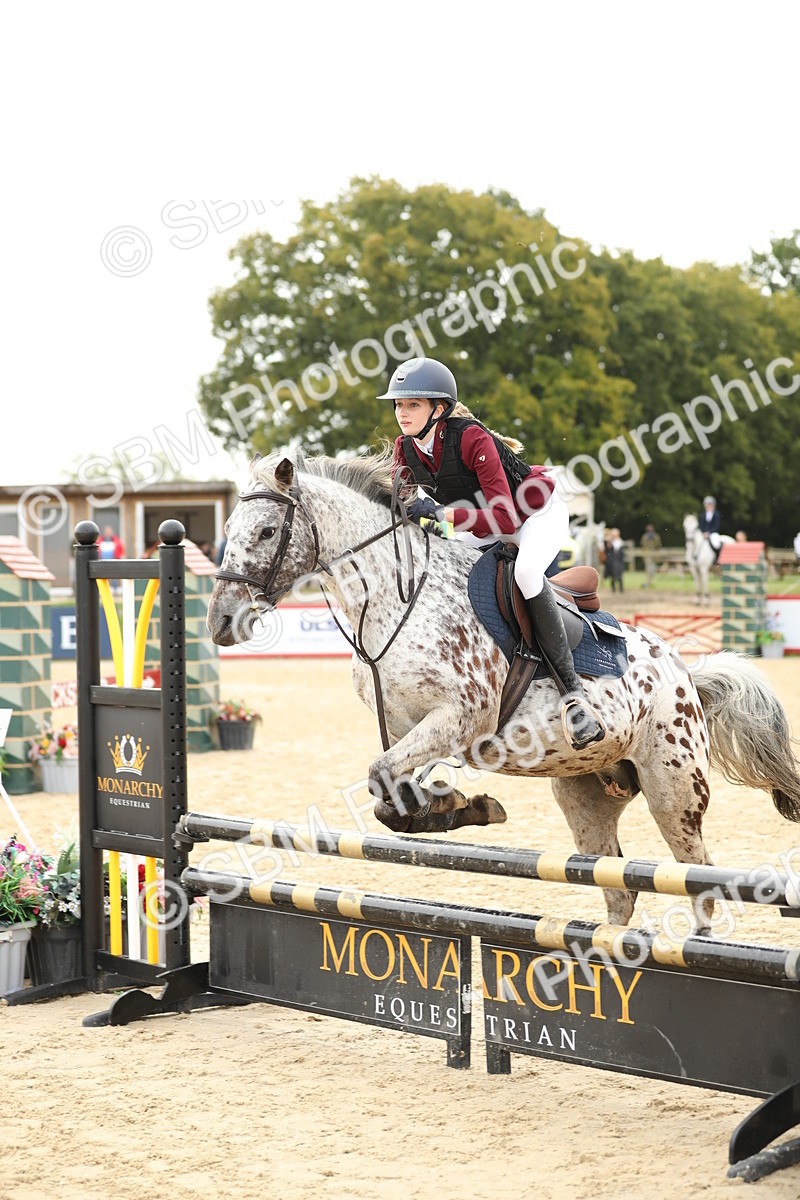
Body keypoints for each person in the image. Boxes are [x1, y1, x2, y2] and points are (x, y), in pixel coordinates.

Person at [382, 356, 605, 750]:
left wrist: (441, 514)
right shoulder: (405, 448)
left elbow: (504, 517)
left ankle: (574, 697)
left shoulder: (472, 439)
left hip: (534, 513)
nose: (402, 412)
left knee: (526, 574)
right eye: (399, 404)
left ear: (439, 409)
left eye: (412, 404)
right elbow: (401, 505)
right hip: (483, 522)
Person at [639, 523, 662, 588]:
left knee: (653, 568)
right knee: (648, 568)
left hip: (654, 555)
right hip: (647, 555)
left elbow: (658, 544)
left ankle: (650, 582)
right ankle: (648, 582)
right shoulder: (645, 536)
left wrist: (654, 538)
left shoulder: (656, 536)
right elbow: (643, 545)